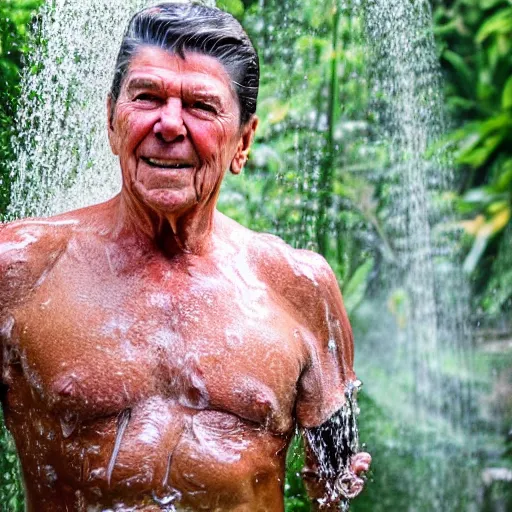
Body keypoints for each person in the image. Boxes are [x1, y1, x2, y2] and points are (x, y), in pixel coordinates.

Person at [0, 3, 371, 511]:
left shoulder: (301, 287)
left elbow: (333, 485)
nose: (169, 124)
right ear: (111, 121)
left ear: (243, 141)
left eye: (201, 106)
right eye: (147, 96)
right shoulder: (16, 270)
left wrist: (335, 481)